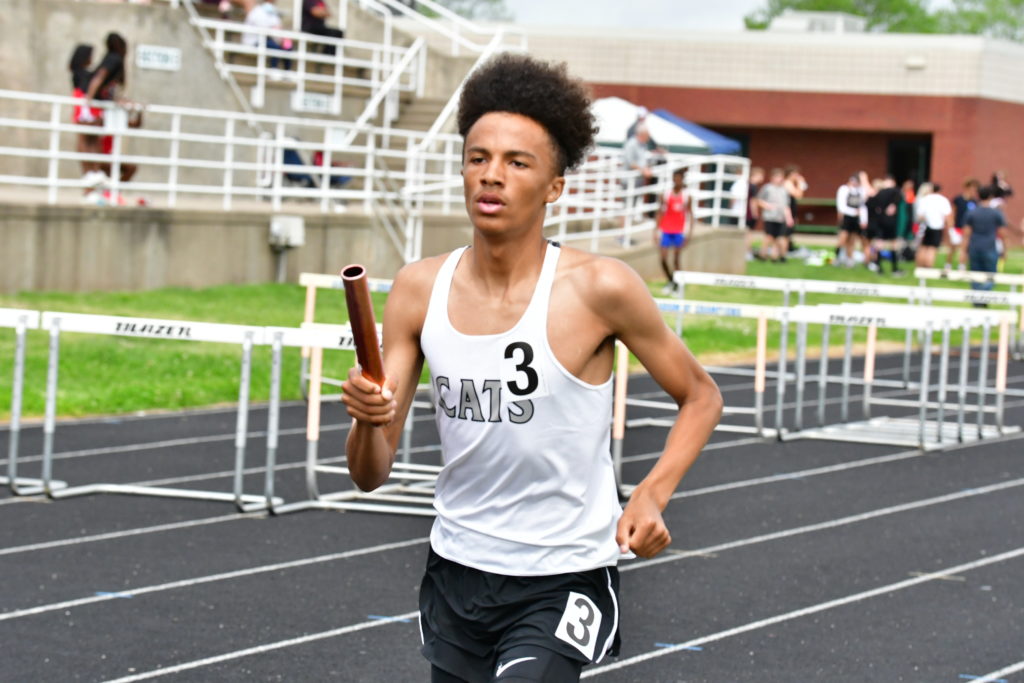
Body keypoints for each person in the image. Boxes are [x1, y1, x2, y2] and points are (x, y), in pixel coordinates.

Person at [340, 53, 722, 683]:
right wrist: (365, 419)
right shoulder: (418, 288)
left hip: (563, 573)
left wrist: (651, 494)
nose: (491, 175)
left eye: (517, 162)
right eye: (478, 158)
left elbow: (701, 396)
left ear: (554, 186)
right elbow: (369, 473)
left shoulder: (599, 288)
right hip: (457, 568)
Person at [654, 168, 692, 292]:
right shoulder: (666, 194)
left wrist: (689, 233)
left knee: (676, 259)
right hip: (666, 229)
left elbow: (690, 214)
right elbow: (660, 212)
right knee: (663, 258)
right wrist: (656, 230)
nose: (677, 181)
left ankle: (678, 285)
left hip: (679, 230)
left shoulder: (686, 196)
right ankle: (671, 281)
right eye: (675, 179)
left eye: (679, 179)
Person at [963, 185, 1007, 293]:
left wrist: (963, 251)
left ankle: (977, 297)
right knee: (991, 275)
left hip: (974, 247)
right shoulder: (996, 213)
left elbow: (966, 234)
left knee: (975, 275)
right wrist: (1005, 250)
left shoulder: (972, 212)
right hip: (990, 247)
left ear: (978, 196)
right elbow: (1003, 234)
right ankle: (985, 293)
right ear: (991, 197)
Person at [866, 174, 902, 275]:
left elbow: (869, 204)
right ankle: (894, 268)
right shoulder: (895, 192)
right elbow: (899, 198)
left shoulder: (879, 193)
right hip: (890, 222)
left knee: (879, 244)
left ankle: (879, 267)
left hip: (880, 221)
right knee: (892, 244)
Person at [756, 168, 794, 262]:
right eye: (777, 177)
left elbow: (786, 205)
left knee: (778, 237)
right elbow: (758, 200)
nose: (779, 179)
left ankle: (774, 256)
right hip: (770, 217)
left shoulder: (784, 190)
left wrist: (789, 218)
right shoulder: (767, 188)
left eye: (781, 177)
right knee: (769, 236)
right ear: (772, 178)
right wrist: (767, 205)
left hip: (780, 217)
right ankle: (762, 254)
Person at [244, 0, 293, 72]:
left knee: (288, 46)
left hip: (270, 39)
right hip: (255, 41)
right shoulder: (257, 12)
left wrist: (283, 40)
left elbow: (277, 28)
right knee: (275, 47)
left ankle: (287, 71)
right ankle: (273, 69)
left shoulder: (273, 13)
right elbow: (263, 29)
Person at [622, 124, 657, 219]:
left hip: (638, 180)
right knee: (627, 205)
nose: (648, 138)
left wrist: (647, 168)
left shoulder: (643, 145)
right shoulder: (631, 144)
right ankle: (625, 226)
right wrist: (643, 170)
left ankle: (629, 223)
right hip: (629, 180)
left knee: (633, 204)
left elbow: (642, 161)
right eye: (647, 135)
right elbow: (630, 162)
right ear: (643, 134)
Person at [915, 182, 952, 267]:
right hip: (937, 227)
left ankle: (919, 267)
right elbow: (948, 215)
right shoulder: (943, 200)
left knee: (923, 247)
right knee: (932, 248)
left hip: (925, 226)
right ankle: (928, 267)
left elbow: (920, 215)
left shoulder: (924, 199)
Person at [835, 173, 867, 267]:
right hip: (847, 217)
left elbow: (862, 206)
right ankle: (837, 257)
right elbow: (841, 206)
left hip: (856, 219)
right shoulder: (844, 189)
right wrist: (854, 212)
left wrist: (863, 219)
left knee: (852, 240)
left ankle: (849, 259)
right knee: (843, 238)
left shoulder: (860, 191)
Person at [949, 178, 979, 271]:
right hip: (957, 226)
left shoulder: (974, 202)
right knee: (953, 247)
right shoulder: (958, 199)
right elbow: (953, 212)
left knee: (965, 247)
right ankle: (948, 264)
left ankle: (961, 265)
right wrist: (951, 225)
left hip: (968, 228)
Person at [743, 166, 764, 260]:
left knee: (746, 233)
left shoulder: (746, 185)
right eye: (761, 175)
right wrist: (755, 213)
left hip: (743, 213)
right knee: (749, 234)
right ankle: (748, 252)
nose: (762, 178)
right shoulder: (753, 186)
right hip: (749, 214)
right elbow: (753, 201)